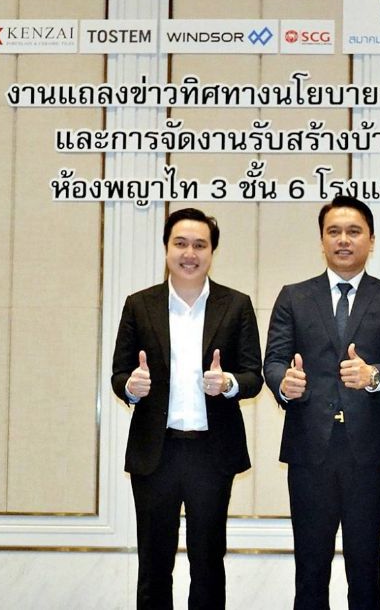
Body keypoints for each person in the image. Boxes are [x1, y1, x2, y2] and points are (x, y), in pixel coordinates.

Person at [264, 196, 380, 610]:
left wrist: (373, 376)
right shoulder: (294, 296)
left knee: (364, 569)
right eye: (334, 232)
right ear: (322, 241)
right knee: (310, 568)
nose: (343, 240)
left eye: (353, 232)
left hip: (368, 451)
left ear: (371, 240)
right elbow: (273, 361)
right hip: (309, 448)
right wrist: (285, 383)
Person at [111, 207, 263, 609]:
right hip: (155, 454)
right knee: (154, 565)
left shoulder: (236, 305)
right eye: (180, 243)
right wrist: (131, 387)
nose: (189, 253)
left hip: (211, 454)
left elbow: (254, 375)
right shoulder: (139, 305)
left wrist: (228, 383)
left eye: (200, 245)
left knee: (208, 562)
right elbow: (119, 374)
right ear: (166, 249)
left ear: (212, 252)